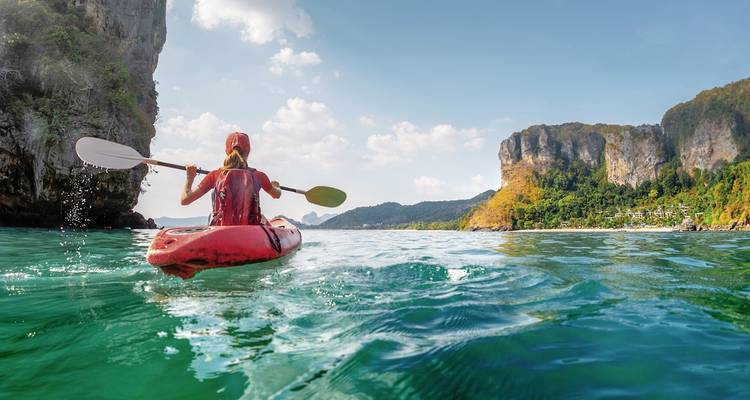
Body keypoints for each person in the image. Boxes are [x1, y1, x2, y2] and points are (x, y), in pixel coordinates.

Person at [181, 132, 281, 225]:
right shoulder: (259, 176)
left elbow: (185, 200)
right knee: (262, 218)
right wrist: (276, 186)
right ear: (248, 152)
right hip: (250, 230)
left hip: (221, 229)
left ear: (226, 151)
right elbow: (276, 195)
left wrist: (190, 177)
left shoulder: (215, 175)